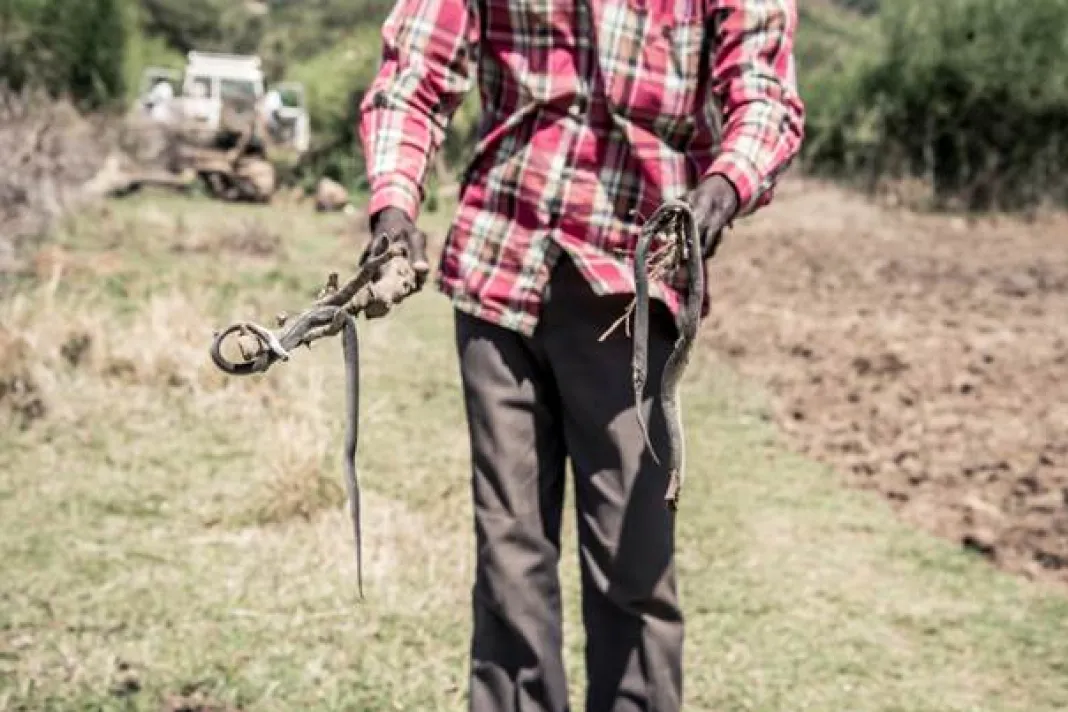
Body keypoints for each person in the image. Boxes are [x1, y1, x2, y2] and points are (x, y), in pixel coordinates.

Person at [358, 1, 804, 710]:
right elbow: (415, 69)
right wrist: (394, 205)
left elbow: (765, 95)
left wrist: (723, 188)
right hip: (499, 266)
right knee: (508, 557)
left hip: (631, 289)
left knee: (633, 567)